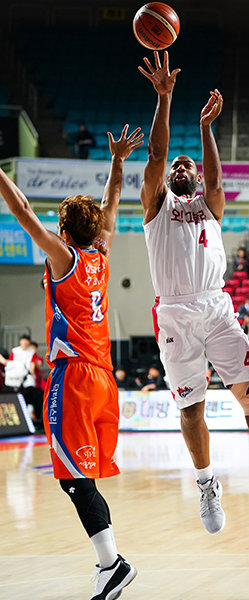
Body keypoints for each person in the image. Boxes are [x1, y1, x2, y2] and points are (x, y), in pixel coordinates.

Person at [138, 50, 249, 536]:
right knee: (190, 407)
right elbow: (156, 156)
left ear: (195, 177)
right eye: (176, 165)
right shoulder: (155, 206)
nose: (179, 166)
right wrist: (165, 99)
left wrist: (206, 129)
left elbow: (215, 177)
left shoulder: (209, 204)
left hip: (217, 307)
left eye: (187, 165)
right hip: (175, 314)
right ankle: (205, 482)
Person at [0, 123, 144, 600]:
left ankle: (112, 564)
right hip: (102, 376)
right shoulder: (101, 253)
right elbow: (115, 197)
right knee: (80, 478)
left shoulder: (66, 258)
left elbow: (22, 212)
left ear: (64, 232)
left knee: (73, 480)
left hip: (75, 377)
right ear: (94, 229)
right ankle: (109, 564)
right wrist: (118, 162)